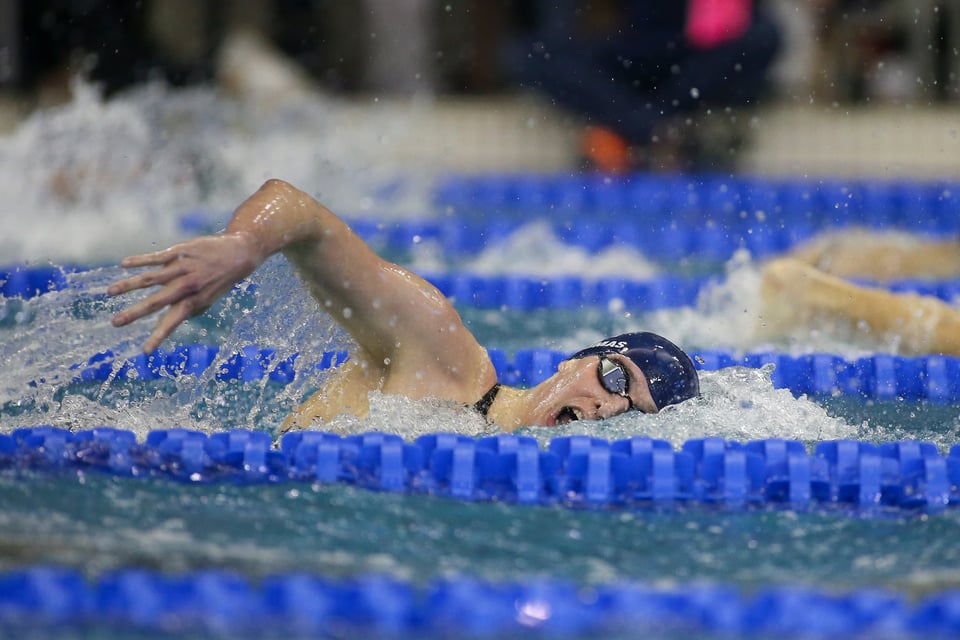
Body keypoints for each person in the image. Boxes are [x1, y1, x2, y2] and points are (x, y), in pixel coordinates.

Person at [107, 179, 701, 433]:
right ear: (577, 360)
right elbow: (296, 209)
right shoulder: (443, 357)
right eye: (615, 377)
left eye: (633, 410)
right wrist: (243, 245)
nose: (607, 407)